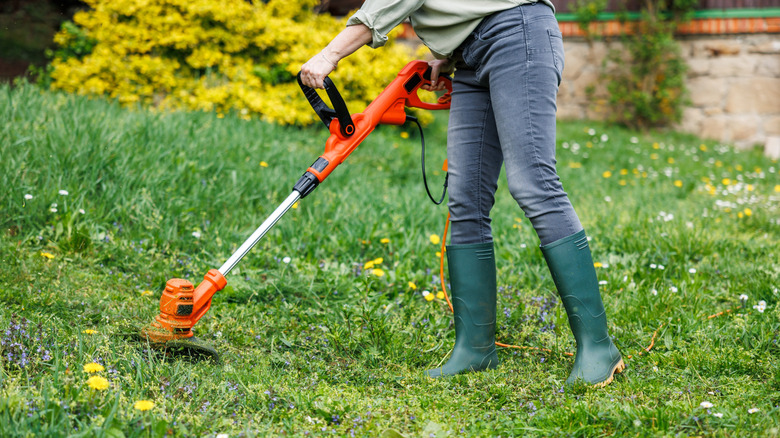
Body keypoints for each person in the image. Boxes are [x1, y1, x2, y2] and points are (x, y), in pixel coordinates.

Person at [299, 0, 624, 387]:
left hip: (516, 35)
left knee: (533, 182)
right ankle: (475, 348)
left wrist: (331, 52)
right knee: (465, 198)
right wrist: (450, 55)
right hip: (471, 57)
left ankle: (598, 347)